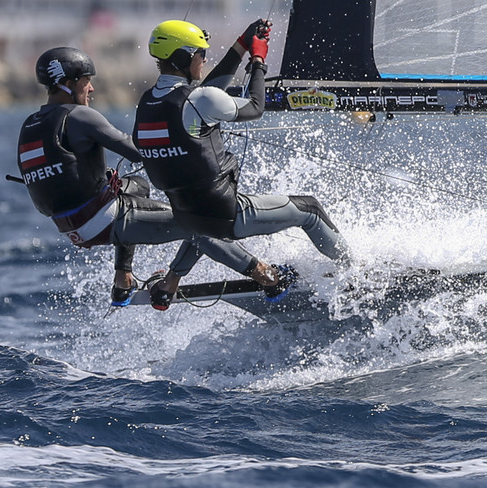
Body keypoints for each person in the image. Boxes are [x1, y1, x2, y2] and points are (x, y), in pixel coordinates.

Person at [16, 46, 295, 309]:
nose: (91, 88)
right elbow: (140, 151)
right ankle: (266, 276)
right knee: (201, 223)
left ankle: (123, 278)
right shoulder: (80, 116)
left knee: (137, 186)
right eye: (86, 81)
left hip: (73, 227)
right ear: (68, 83)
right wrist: (188, 138)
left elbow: (60, 174)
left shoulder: (31, 124)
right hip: (103, 218)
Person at [135, 19, 348, 304]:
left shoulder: (148, 103)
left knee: (200, 224)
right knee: (309, 209)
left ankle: (171, 282)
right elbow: (255, 107)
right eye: (201, 53)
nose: (204, 59)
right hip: (227, 213)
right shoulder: (198, 100)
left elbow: (207, 91)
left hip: (189, 214)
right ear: (184, 57)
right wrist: (258, 60)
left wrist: (241, 44)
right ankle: (356, 273)